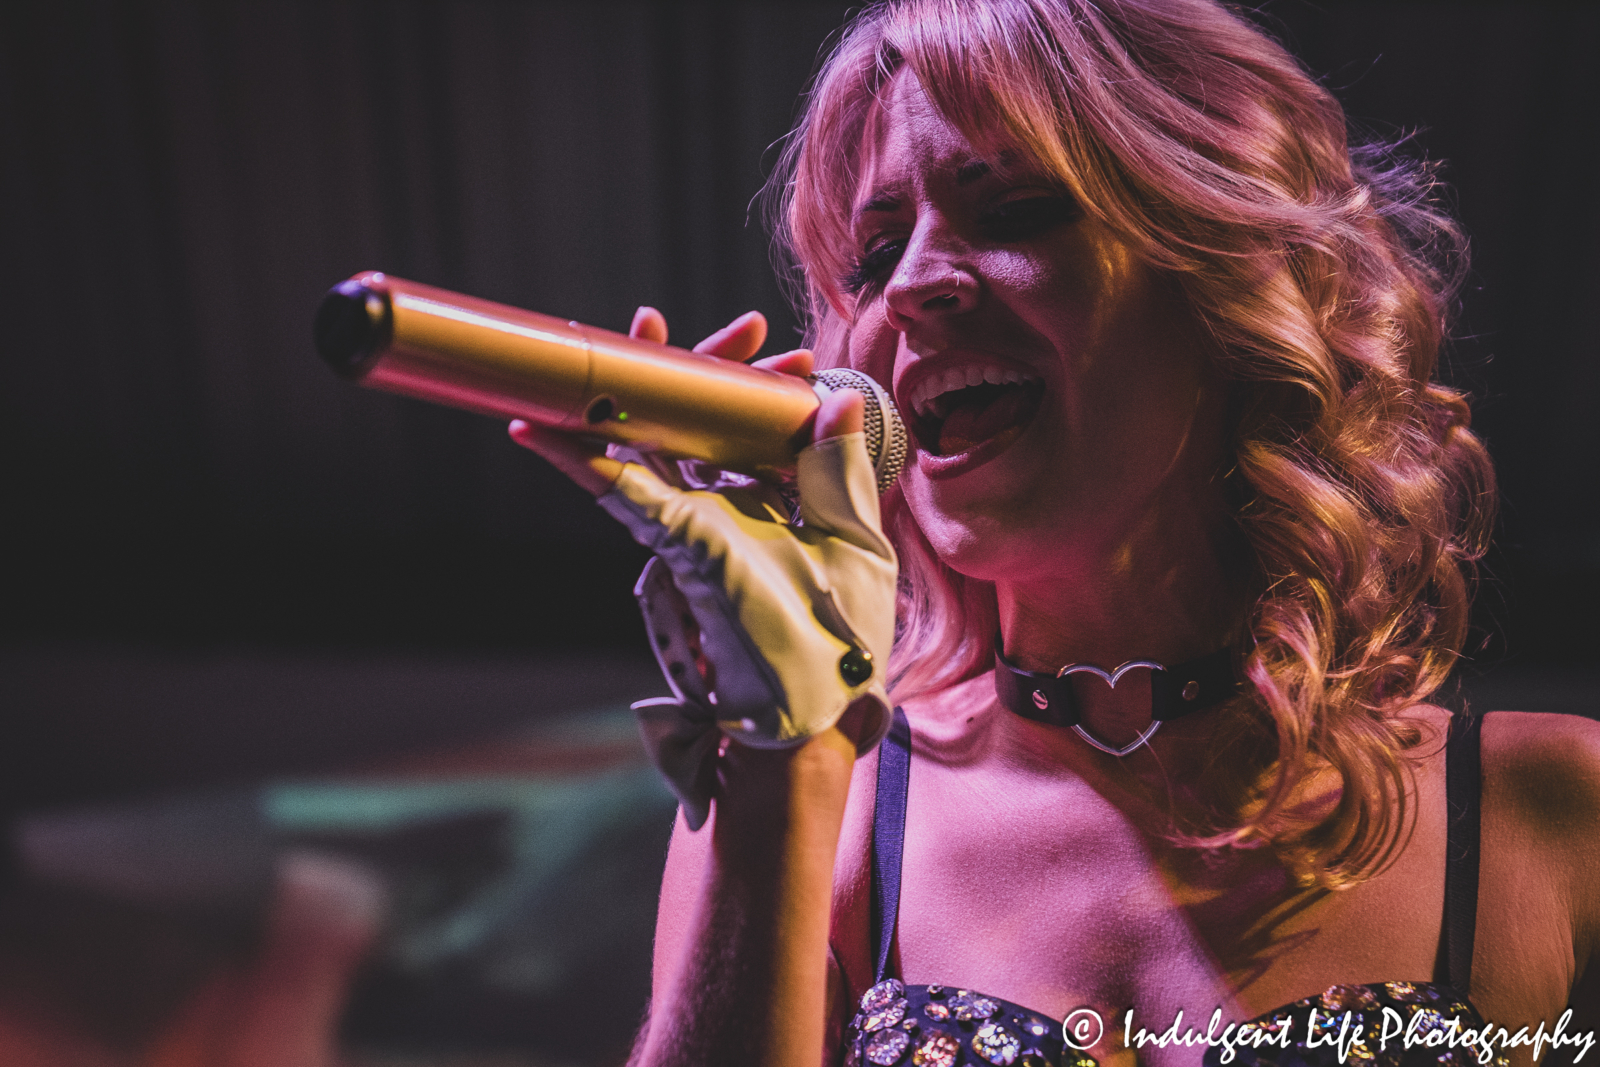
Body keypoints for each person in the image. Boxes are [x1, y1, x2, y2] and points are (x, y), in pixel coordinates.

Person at [513, 1, 1600, 1066]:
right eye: (874, 253)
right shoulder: (803, 794)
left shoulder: (1554, 806)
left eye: (1014, 211)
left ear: (1224, 280)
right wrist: (779, 751)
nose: (913, 290)